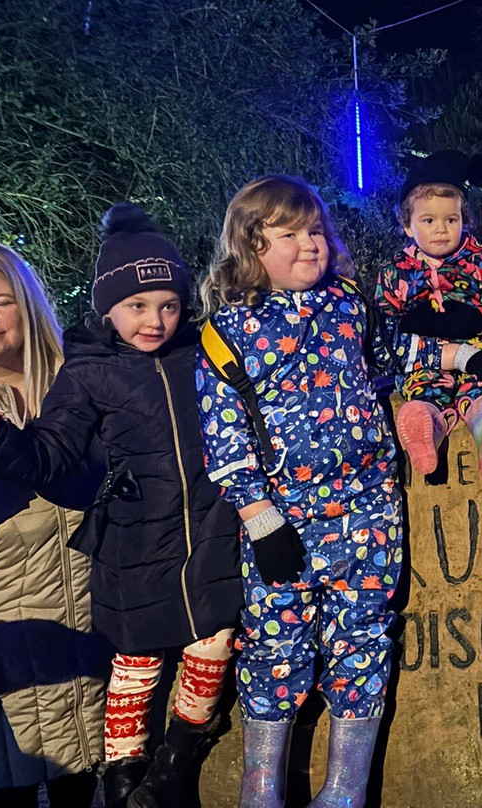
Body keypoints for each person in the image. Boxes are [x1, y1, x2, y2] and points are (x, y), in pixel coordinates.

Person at [0, 208, 242, 808]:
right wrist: (0, 440)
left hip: (198, 542)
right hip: (125, 558)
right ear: (108, 308)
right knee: (135, 665)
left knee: (212, 646)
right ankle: (127, 775)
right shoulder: (89, 372)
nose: (155, 320)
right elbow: (51, 457)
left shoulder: (201, 353)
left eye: (168, 305)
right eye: (136, 305)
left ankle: (175, 759)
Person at [197, 175, 402, 808]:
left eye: (315, 230)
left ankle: (344, 792)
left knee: (364, 641)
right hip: (283, 520)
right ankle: (261, 791)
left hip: (369, 511)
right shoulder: (226, 331)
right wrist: (260, 517)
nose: (310, 244)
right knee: (275, 648)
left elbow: (393, 359)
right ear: (250, 246)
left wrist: (460, 357)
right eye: (288, 234)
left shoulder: (350, 304)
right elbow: (224, 435)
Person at [0, 243, 106, 808]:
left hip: (91, 643)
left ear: (27, 304)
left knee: (80, 790)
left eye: (0, 301)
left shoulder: (84, 387)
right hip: (7, 659)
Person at [374, 150, 482, 480]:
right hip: (424, 358)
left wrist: (478, 318)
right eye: (429, 221)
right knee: (423, 386)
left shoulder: (481, 262)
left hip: (477, 354)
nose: (441, 229)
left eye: (451, 220)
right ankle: (428, 429)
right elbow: (382, 326)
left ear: (464, 220)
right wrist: (410, 324)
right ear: (407, 225)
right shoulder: (395, 272)